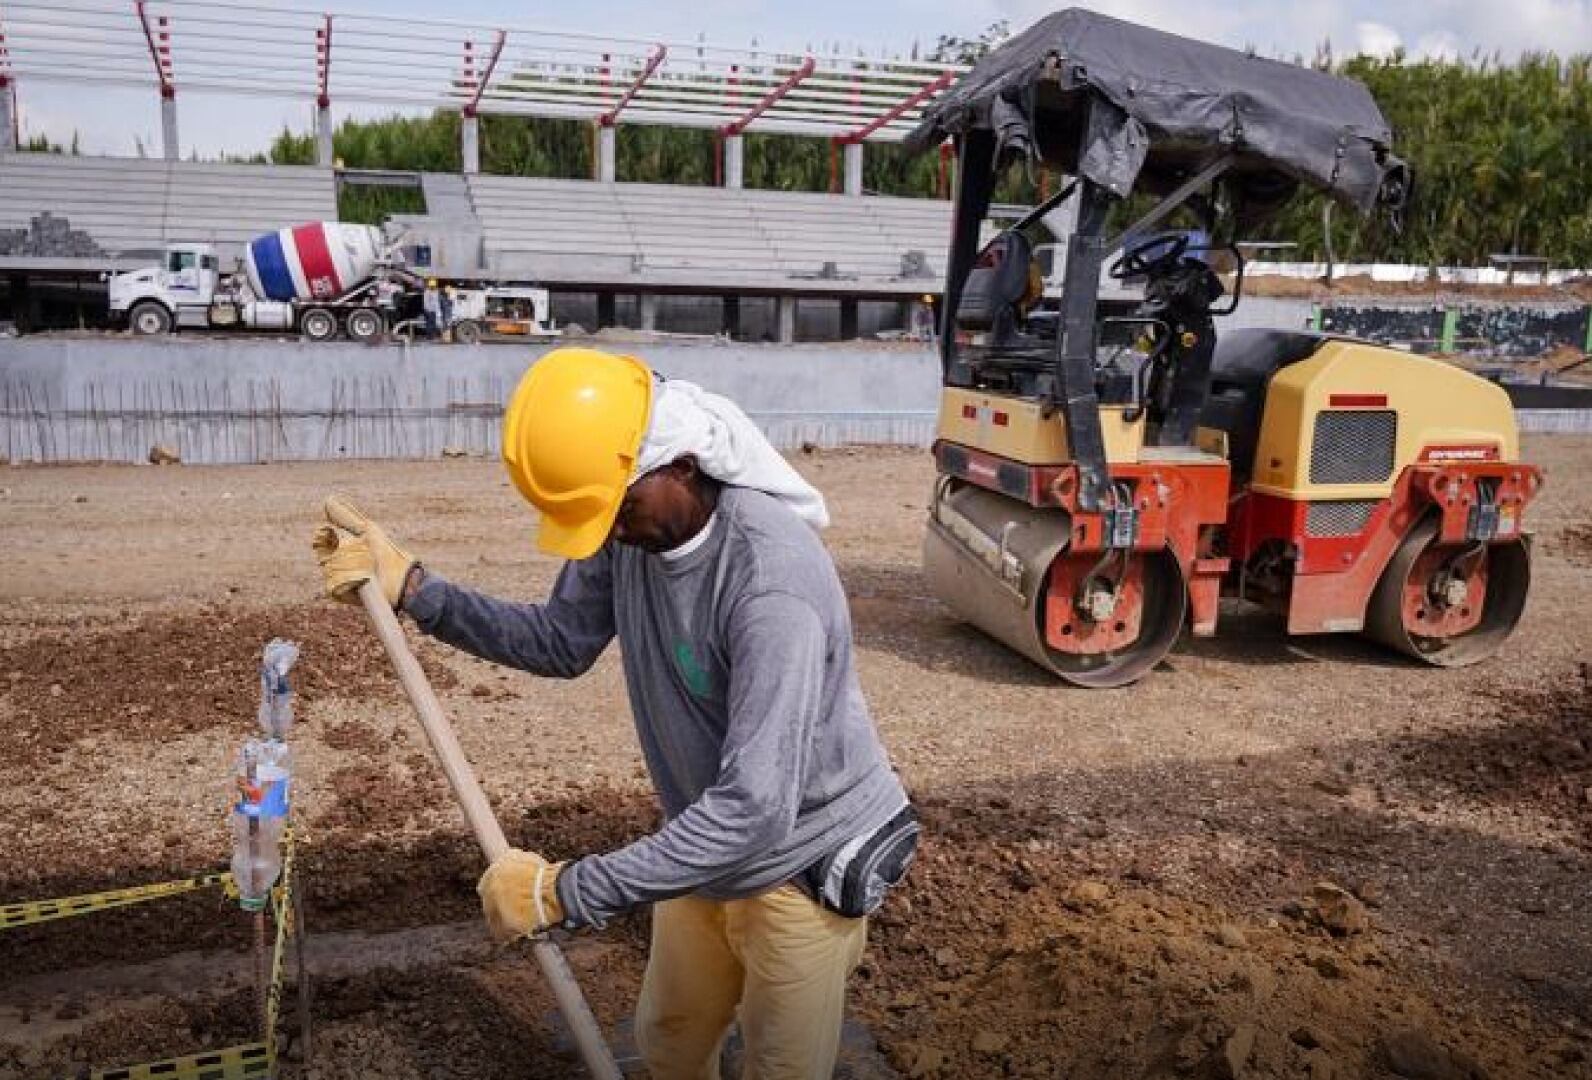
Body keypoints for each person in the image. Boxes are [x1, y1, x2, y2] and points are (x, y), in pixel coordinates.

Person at [313, 347, 916, 1079]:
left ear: (683, 467)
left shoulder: (770, 584)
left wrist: (565, 891)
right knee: (668, 1040)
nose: (608, 530)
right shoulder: (630, 525)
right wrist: (415, 590)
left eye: (617, 507)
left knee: (780, 1069)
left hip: (799, 861)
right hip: (705, 845)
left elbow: (756, 807)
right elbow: (560, 640)